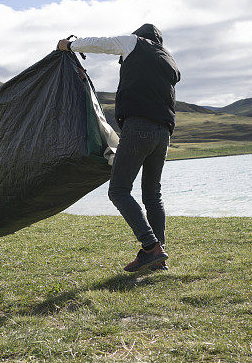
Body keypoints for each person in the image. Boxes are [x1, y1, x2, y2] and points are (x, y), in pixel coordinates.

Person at [58, 23, 180, 272]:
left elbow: (103, 43)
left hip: (139, 128)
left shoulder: (135, 42)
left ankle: (151, 247)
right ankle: (158, 256)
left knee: (118, 191)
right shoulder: (169, 61)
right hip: (163, 133)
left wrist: (69, 45)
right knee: (152, 195)